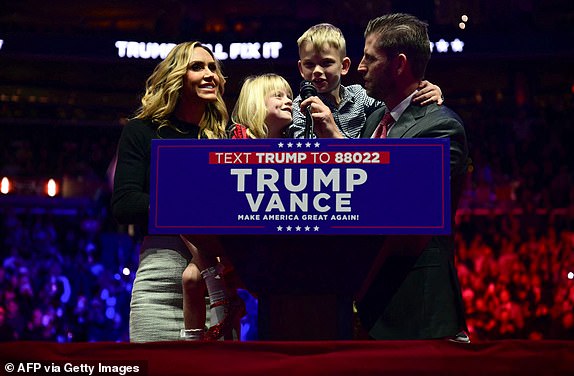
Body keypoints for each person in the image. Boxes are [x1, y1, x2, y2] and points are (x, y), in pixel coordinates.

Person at [321, 13, 470, 341]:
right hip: (367, 309)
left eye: (370, 58)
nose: (360, 66)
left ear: (399, 64)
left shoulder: (441, 127)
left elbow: (401, 206)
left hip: (419, 315)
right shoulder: (376, 116)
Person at [112, 41, 237, 342]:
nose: (210, 74)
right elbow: (125, 204)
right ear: (176, 76)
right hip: (159, 283)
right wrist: (196, 206)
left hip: (215, 283)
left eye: (213, 68)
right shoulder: (142, 130)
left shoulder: (226, 135)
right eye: (197, 67)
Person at [289, 23, 443, 139]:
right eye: (309, 64)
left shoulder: (359, 95)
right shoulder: (300, 108)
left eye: (326, 63)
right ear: (301, 69)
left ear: (344, 66)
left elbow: (397, 103)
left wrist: (424, 90)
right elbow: (306, 157)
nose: (317, 71)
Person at [229, 73, 294, 139]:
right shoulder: (237, 141)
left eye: (289, 97)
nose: (289, 101)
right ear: (256, 102)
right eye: (278, 95)